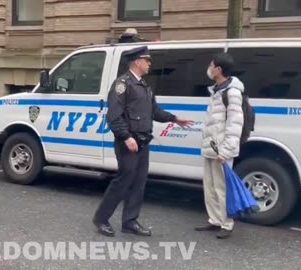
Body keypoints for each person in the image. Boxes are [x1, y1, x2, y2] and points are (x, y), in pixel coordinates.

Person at [92, 46, 193, 237]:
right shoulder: (122, 84)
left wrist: (174, 119)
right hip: (128, 142)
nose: (149, 64)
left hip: (143, 142)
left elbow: (154, 111)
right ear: (137, 62)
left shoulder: (144, 86)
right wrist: (126, 137)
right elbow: (114, 116)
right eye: (147, 61)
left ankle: (129, 221)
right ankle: (101, 218)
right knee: (123, 181)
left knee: (139, 183)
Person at [195, 53, 245, 239]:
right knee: (210, 186)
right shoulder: (217, 90)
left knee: (221, 187)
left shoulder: (232, 92)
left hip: (221, 150)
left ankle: (226, 223)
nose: (208, 67)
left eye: (211, 65)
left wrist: (227, 150)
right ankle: (214, 220)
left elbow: (235, 123)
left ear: (219, 69)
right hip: (211, 147)